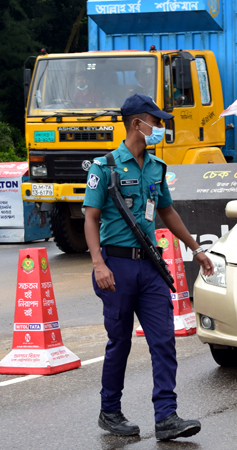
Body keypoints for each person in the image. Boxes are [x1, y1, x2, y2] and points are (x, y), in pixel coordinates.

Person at [83, 94, 214, 440]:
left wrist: (195, 248)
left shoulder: (156, 167)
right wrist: (98, 263)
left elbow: (167, 212)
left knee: (163, 340)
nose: (159, 126)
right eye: (154, 120)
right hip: (117, 266)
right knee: (120, 342)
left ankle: (166, 417)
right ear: (136, 123)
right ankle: (110, 411)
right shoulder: (105, 167)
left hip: (150, 268)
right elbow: (91, 218)